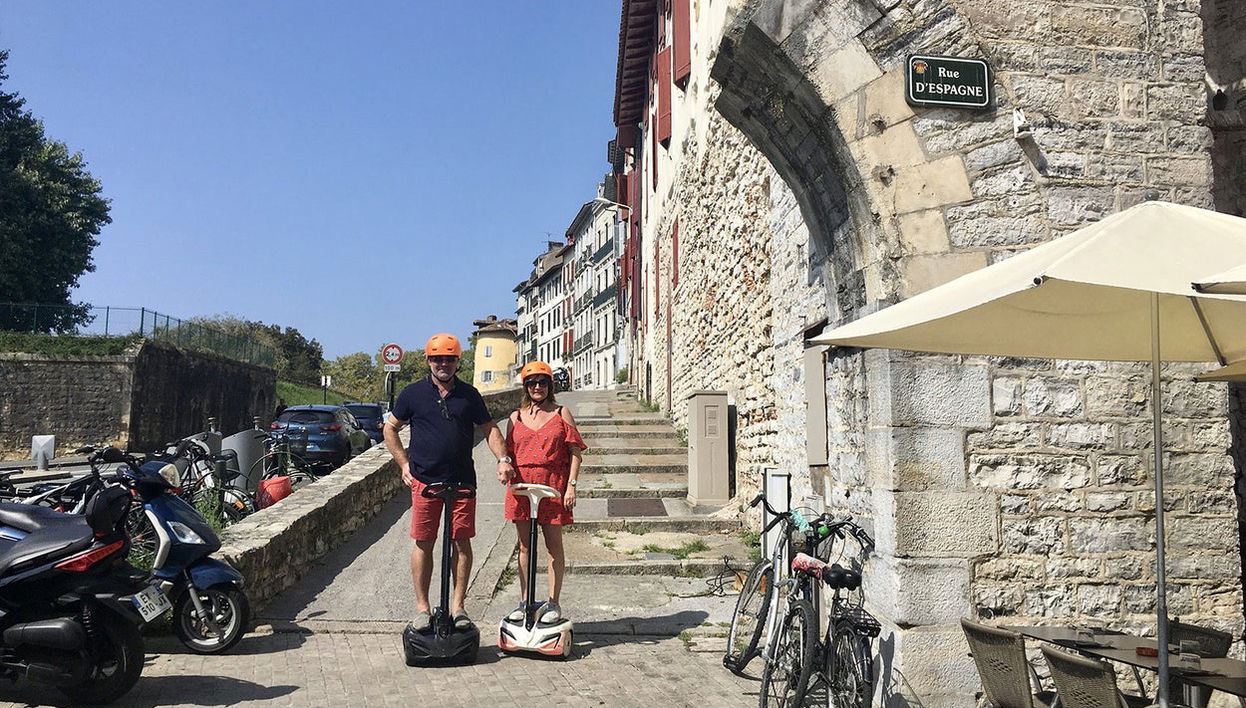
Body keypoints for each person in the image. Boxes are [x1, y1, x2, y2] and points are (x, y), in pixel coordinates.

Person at [383, 333, 515, 631]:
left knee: (461, 542)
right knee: (423, 542)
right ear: (428, 360)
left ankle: (458, 607)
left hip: (462, 481)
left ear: (458, 361)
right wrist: (403, 464)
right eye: (437, 359)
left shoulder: (469, 395)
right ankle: (422, 608)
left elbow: (490, 429)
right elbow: (390, 429)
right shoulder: (412, 394)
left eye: (449, 359)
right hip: (425, 480)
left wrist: (503, 459)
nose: (443, 364)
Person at [503, 360, 586, 624]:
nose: (537, 387)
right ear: (525, 387)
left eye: (542, 382)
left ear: (550, 385)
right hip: (522, 488)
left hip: (552, 485)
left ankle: (553, 602)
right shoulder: (515, 418)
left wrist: (571, 486)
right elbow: (507, 453)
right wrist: (503, 467)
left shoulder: (562, 413)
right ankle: (525, 601)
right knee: (524, 546)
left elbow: (575, 452)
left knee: (553, 546)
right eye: (531, 383)